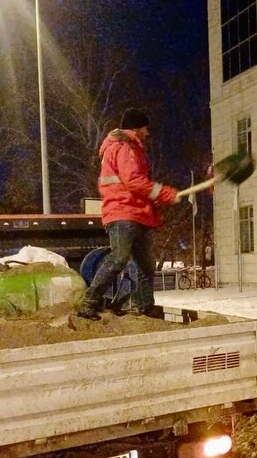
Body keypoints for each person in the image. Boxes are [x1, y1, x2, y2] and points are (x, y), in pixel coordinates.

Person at [76, 108, 179, 320]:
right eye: (145, 128)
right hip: (124, 213)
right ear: (136, 128)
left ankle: (144, 307)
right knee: (119, 258)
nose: (147, 133)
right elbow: (133, 181)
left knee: (145, 265)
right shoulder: (125, 147)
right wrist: (164, 192)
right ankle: (89, 303)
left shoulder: (129, 148)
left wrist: (157, 198)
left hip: (136, 214)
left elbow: (135, 185)